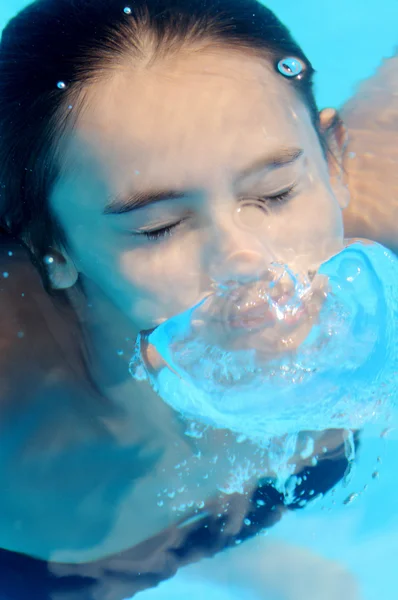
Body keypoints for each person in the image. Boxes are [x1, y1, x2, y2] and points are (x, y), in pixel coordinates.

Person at [0, 0, 389, 597]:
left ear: (332, 159)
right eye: (160, 228)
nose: (247, 260)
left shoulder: (372, 196)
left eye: (276, 193)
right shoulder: (16, 393)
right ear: (53, 249)